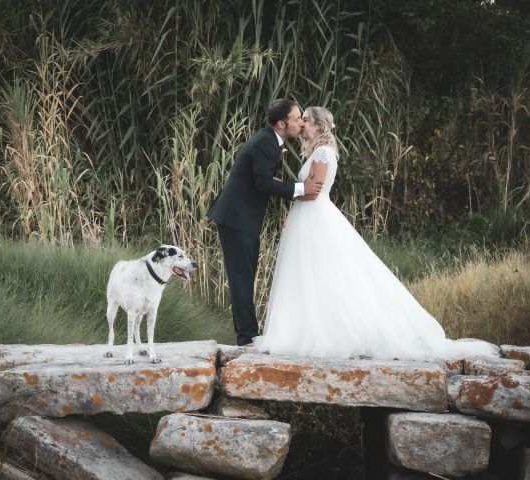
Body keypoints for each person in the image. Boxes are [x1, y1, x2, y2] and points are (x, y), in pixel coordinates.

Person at [253, 106, 497, 360]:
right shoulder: (317, 151)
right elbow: (308, 186)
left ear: (318, 125)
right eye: (300, 120)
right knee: (308, 272)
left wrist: (286, 188)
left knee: (323, 271)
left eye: (305, 120)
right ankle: (302, 328)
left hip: (315, 215)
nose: (302, 125)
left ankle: (327, 333)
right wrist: (292, 188)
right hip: (306, 217)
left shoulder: (324, 152)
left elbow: (314, 190)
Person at [207, 99, 324, 346]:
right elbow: (263, 183)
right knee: (242, 277)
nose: (301, 123)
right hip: (236, 218)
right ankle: (246, 338)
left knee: (245, 275)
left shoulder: (271, 141)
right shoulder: (265, 142)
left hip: (242, 218)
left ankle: (248, 334)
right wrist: (301, 188)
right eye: (296, 119)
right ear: (282, 124)